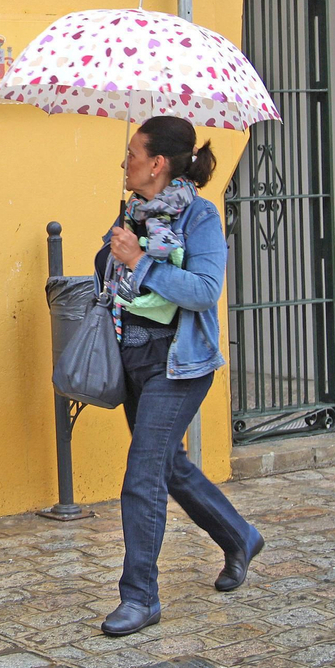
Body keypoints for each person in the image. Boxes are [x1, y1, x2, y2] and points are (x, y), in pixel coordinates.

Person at [96, 115, 263, 637]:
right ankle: (239, 536)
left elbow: (203, 290)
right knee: (169, 465)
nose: (125, 161)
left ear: (157, 163)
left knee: (143, 474)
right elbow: (109, 271)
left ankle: (140, 597)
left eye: (132, 152)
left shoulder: (201, 217)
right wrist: (114, 251)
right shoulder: (133, 210)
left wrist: (141, 261)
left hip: (179, 363)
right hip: (134, 358)